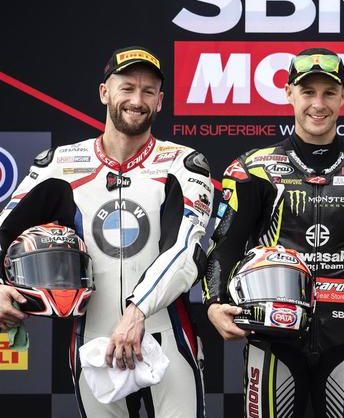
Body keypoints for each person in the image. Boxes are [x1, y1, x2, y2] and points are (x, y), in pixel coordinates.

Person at [203, 47, 344, 417]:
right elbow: (223, 247)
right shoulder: (253, 170)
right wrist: (213, 304)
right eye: (308, 92)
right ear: (289, 93)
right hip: (273, 334)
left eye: (328, 93)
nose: (318, 104)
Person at [0, 46, 212, 417]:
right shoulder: (59, 165)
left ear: (160, 101)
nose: (137, 100)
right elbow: (4, 231)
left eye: (148, 91)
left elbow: (185, 250)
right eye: (127, 88)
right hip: (92, 343)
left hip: (167, 340)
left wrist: (137, 311)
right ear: (104, 93)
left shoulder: (183, 163)